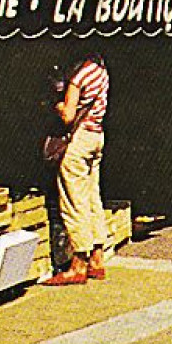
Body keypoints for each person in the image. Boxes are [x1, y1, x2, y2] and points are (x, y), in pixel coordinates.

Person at [44, 51, 112, 286]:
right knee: (93, 197)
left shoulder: (78, 77)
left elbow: (68, 116)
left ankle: (78, 263)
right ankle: (97, 258)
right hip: (97, 137)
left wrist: (59, 105)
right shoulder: (100, 71)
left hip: (79, 141)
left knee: (74, 201)